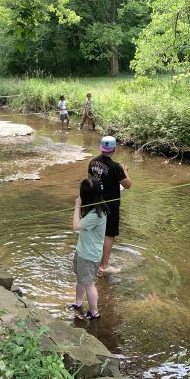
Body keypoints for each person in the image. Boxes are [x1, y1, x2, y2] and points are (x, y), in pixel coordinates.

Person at [88, 136, 131, 274]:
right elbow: (128, 185)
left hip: (95, 202)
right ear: (114, 149)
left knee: (97, 232)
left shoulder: (92, 162)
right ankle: (104, 266)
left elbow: (90, 181)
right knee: (109, 234)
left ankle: (95, 260)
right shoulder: (116, 166)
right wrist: (124, 172)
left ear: (101, 148)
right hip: (111, 205)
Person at [67, 178, 108, 321]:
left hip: (89, 255)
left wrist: (77, 205)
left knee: (89, 284)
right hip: (83, 251)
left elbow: (75, 226)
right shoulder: (94, 207)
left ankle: (94, 313)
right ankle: (78, 303)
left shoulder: (95, 214)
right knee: (80, 279)